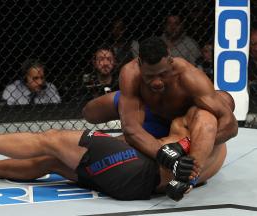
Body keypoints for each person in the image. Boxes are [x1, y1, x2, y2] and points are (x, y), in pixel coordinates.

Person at [0, 97, 227, 201]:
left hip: (135, 169)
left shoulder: (203, 117)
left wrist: (182, 177)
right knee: (53, 161)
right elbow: (192, 164)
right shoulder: (217, 149)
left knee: (53, 138)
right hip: (134, 182)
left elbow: (198, 141)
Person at [82, 37, 238, 193]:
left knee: (225, 100)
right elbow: (131, 131)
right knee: (90, 112)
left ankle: (129, 102)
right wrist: (167, 156)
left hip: (176, 123)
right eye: (149, 76)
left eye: (162, 74)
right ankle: (128, 101)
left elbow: (231, 125)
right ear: (140, 63)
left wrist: (186, 144)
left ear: (170, 60)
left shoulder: (189, 76)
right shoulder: (131, 73)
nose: (157, 82)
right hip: (145, 111)